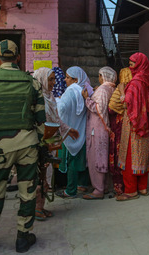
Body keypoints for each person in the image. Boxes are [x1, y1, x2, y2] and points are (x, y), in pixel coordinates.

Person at [0, 39, 46, 252]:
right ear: (17, 58)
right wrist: (40, 145)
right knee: (27, 192)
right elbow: (41, 122)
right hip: (28, 145)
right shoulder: (32, 82)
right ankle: (22, 238)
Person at [33, 67, 79, 220]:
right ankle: (36, 208)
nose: (53, 82)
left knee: (47, 175)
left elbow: (57, 119)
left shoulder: (50, 97)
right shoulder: (37, 98)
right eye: (50, 79)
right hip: (40, 143)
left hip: (50, 142)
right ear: (41, 80)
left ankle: (41, 206)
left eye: (54, 79)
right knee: (39, 174)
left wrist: (68, 129)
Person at [117, 53, 149, 201]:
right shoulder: (147, 80)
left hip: (134, 124)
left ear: (139, 65)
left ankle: (131, 190)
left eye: (132, 64)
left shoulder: (134, 83)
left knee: (130, 156)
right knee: (142, 155)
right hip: (145, 123)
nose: (130, 66)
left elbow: (127, 103)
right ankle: (143, 188)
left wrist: (122, 91)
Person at [82, 66, 117, 200]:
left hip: (98, 128)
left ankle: (98, 189)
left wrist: (87, 99)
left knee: (96, 157)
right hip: (102, 128)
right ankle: (104, 186)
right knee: (103, 156)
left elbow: (99, 108)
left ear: (104, 76)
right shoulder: (110, 88)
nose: (99, 78)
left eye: (100, 75)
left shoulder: (103, 89)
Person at [55, 66, 90, 198]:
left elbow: (62, 108)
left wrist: (57, 101)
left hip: (70, 131)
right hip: (81, 130)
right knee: (80, 159)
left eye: (68, 77)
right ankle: (82, 185)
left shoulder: (70, 91)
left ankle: (70, 190)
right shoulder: (84, 90)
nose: (65, 79)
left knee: (70, 161)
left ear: (75, 79)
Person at [108, 67, 132, 196]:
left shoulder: (120, 90)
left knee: (117, 155)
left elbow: (111, 109)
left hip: (118, 127)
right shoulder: (134, 88)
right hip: (129, 125)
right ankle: (130, 184)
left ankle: (119, 187)